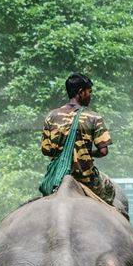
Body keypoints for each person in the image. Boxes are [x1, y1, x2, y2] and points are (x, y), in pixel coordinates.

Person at [41, 72, 116, 205]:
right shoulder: (94, 117)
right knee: (109, 191)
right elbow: (103, 151)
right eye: (89, 92)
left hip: (57, 177)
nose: (90, 96)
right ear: (81, 92)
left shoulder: (51, 116)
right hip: (86, 177)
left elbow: (46, 151)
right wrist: (86, 152)